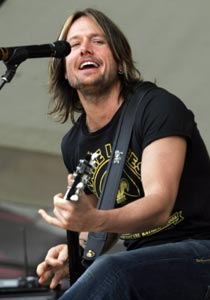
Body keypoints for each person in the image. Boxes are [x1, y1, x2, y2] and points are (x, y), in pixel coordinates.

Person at [36, 8, 210, 300]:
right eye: (74, 45)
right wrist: (75, 250)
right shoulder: (74, 143)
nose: (85, 49)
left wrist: (92, 221)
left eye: (98, 41)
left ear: (119, 61)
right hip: (142, 262)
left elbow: (159, 205)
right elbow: (96, 220)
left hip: (200, 249)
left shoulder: (155, 108)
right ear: (64, 71)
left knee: (112, 270)